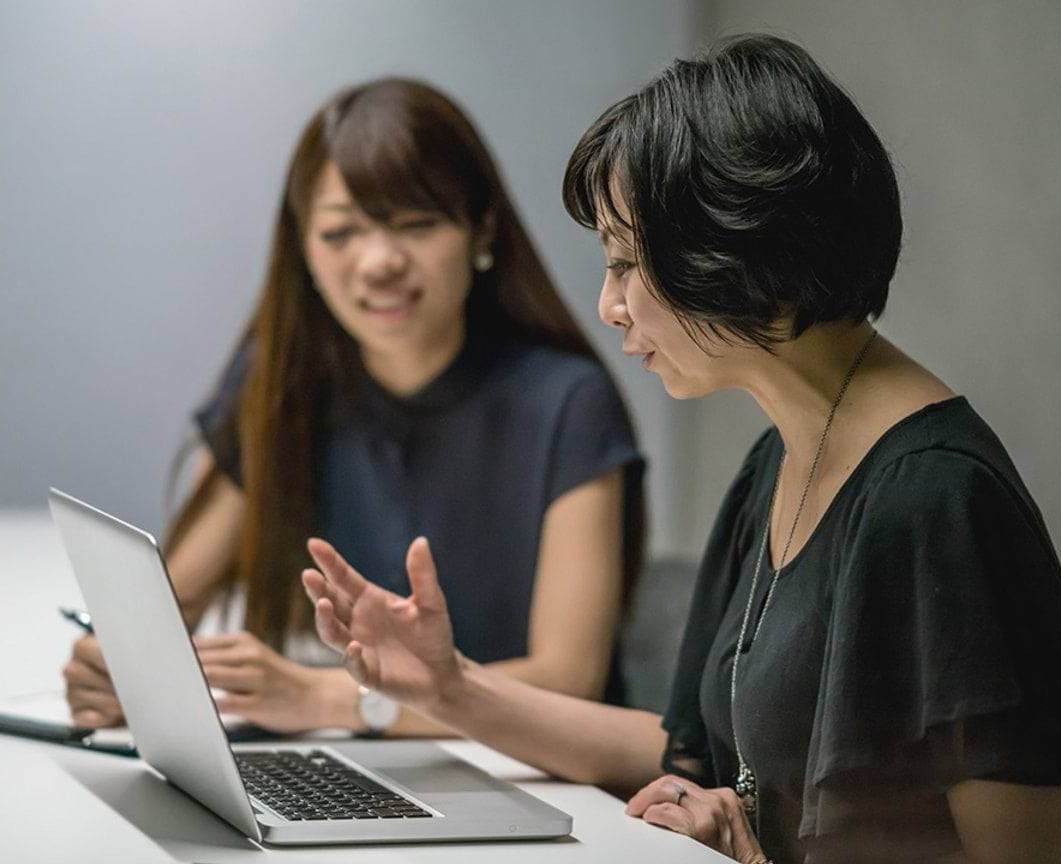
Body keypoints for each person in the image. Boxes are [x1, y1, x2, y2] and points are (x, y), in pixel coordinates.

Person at [301, 36, 1061, 863]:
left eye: (630, 265)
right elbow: (684, 752)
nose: (610, 304)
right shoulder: (782, 456)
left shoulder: (934, 502)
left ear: (747, 257)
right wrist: (448, 688)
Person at [63, 77, 646, 738]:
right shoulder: (280, 385)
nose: (378, 262)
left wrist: (334, 701)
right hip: (368, 766)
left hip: (544, 783)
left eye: (417, 225)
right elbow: (173, 605)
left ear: (482, 228)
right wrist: (124, 669)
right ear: (303, 250)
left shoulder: (568, 403)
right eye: (340, 233)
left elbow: (571, 678)